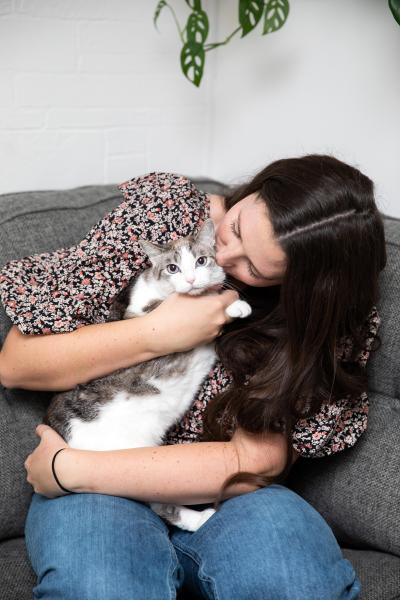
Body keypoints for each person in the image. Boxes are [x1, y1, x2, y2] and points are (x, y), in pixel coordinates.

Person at [0, 154, 386, 600]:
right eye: (238, 228)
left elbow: (254, 462)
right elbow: (16, 363)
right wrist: (154, 333)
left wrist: (71, 469)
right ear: (258, 186)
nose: (222, 255)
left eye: (255, 270)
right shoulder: (167, 212)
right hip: (99, 465)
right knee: (102, 587)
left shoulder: (322, 314)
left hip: (220, 496)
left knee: (296, 584)